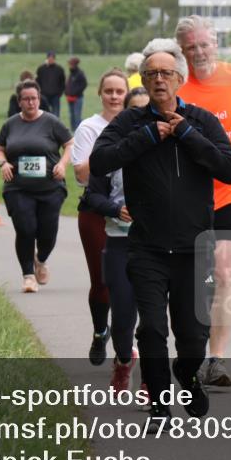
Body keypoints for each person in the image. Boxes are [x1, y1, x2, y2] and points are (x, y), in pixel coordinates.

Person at [90, 38, 231, 424]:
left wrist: (186, 134)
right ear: (143, 79)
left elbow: (228, 169)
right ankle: (159, 405)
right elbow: (100, 161)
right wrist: (147, 137)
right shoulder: (130, 123)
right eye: (151, 73)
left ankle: (187, 375)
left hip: (194, 248)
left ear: (179, 79)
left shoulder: (202, 121)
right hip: (148, 247)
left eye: (166, 73)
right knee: (152, 330)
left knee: (193, 334)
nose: (158, 80)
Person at [175, 15, 231, 388]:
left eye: (203, 44)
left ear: (215, 43)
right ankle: (193, 351)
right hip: (188, 197)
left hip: (230, 191)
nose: (198, 52)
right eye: (190, 47)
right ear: (182, 51)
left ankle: (217, 359)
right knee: (198, 279)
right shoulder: (178, 86)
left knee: (225, 273)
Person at [83, 86, 150, 396]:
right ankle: (124, 359)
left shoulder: (168, 148)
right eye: (135, 111)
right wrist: (115, 209)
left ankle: (151, 381)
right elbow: (92, 196)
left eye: (148, 111)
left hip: (156, 244)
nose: (143, 118)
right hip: (120, 241)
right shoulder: (110, 151)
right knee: (122, 318)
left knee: (153, 319)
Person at [71, 68, 128, 365]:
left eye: (120, 91)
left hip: (130, 213)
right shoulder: (89, 128)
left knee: (128, 283)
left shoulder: (135, 124)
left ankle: (123, 343)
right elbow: (81, 174)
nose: (114, 97)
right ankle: (99, 331)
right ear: (100, 94)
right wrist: (112, 149)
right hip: (95, 211)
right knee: (102, 280)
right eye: (109, 91)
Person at [0, 79, 74, 293]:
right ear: (19, 101)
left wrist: (62, 164)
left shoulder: (51, 122)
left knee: (48, 233)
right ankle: (28, 276)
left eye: (34, 98)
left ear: (39, 99)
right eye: (26, 99)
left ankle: (41, 259)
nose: (31, 103)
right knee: (25, 229)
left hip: (50, 187)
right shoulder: (10, 124)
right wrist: (3, 163)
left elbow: (69, 144)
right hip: (18, 187)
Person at [36, 51, 67, 119]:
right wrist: (39, 92)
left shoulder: (59, 69)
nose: (51, 60)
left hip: (55, 96)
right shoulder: (41, 69)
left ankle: (55, 125)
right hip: (44, 95)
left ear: (54, 59)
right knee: (43, 113)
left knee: (56, 114)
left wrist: (59, 93)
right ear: (47, 58)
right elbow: (37, 81)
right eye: (49, 58)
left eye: (52, 58)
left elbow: (63, 82)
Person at [65, 57, 88, 131]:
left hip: (78, 98)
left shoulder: (80, 73)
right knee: (71, 115)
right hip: (70, 97)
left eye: (70, 64)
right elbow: (68, 84)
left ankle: (79, 130)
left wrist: (76, 93)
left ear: (75, 64)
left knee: (77, 115)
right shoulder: (71, 73)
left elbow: (84, 84)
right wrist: (66, 92)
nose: (69, 65)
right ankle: (73, 130)